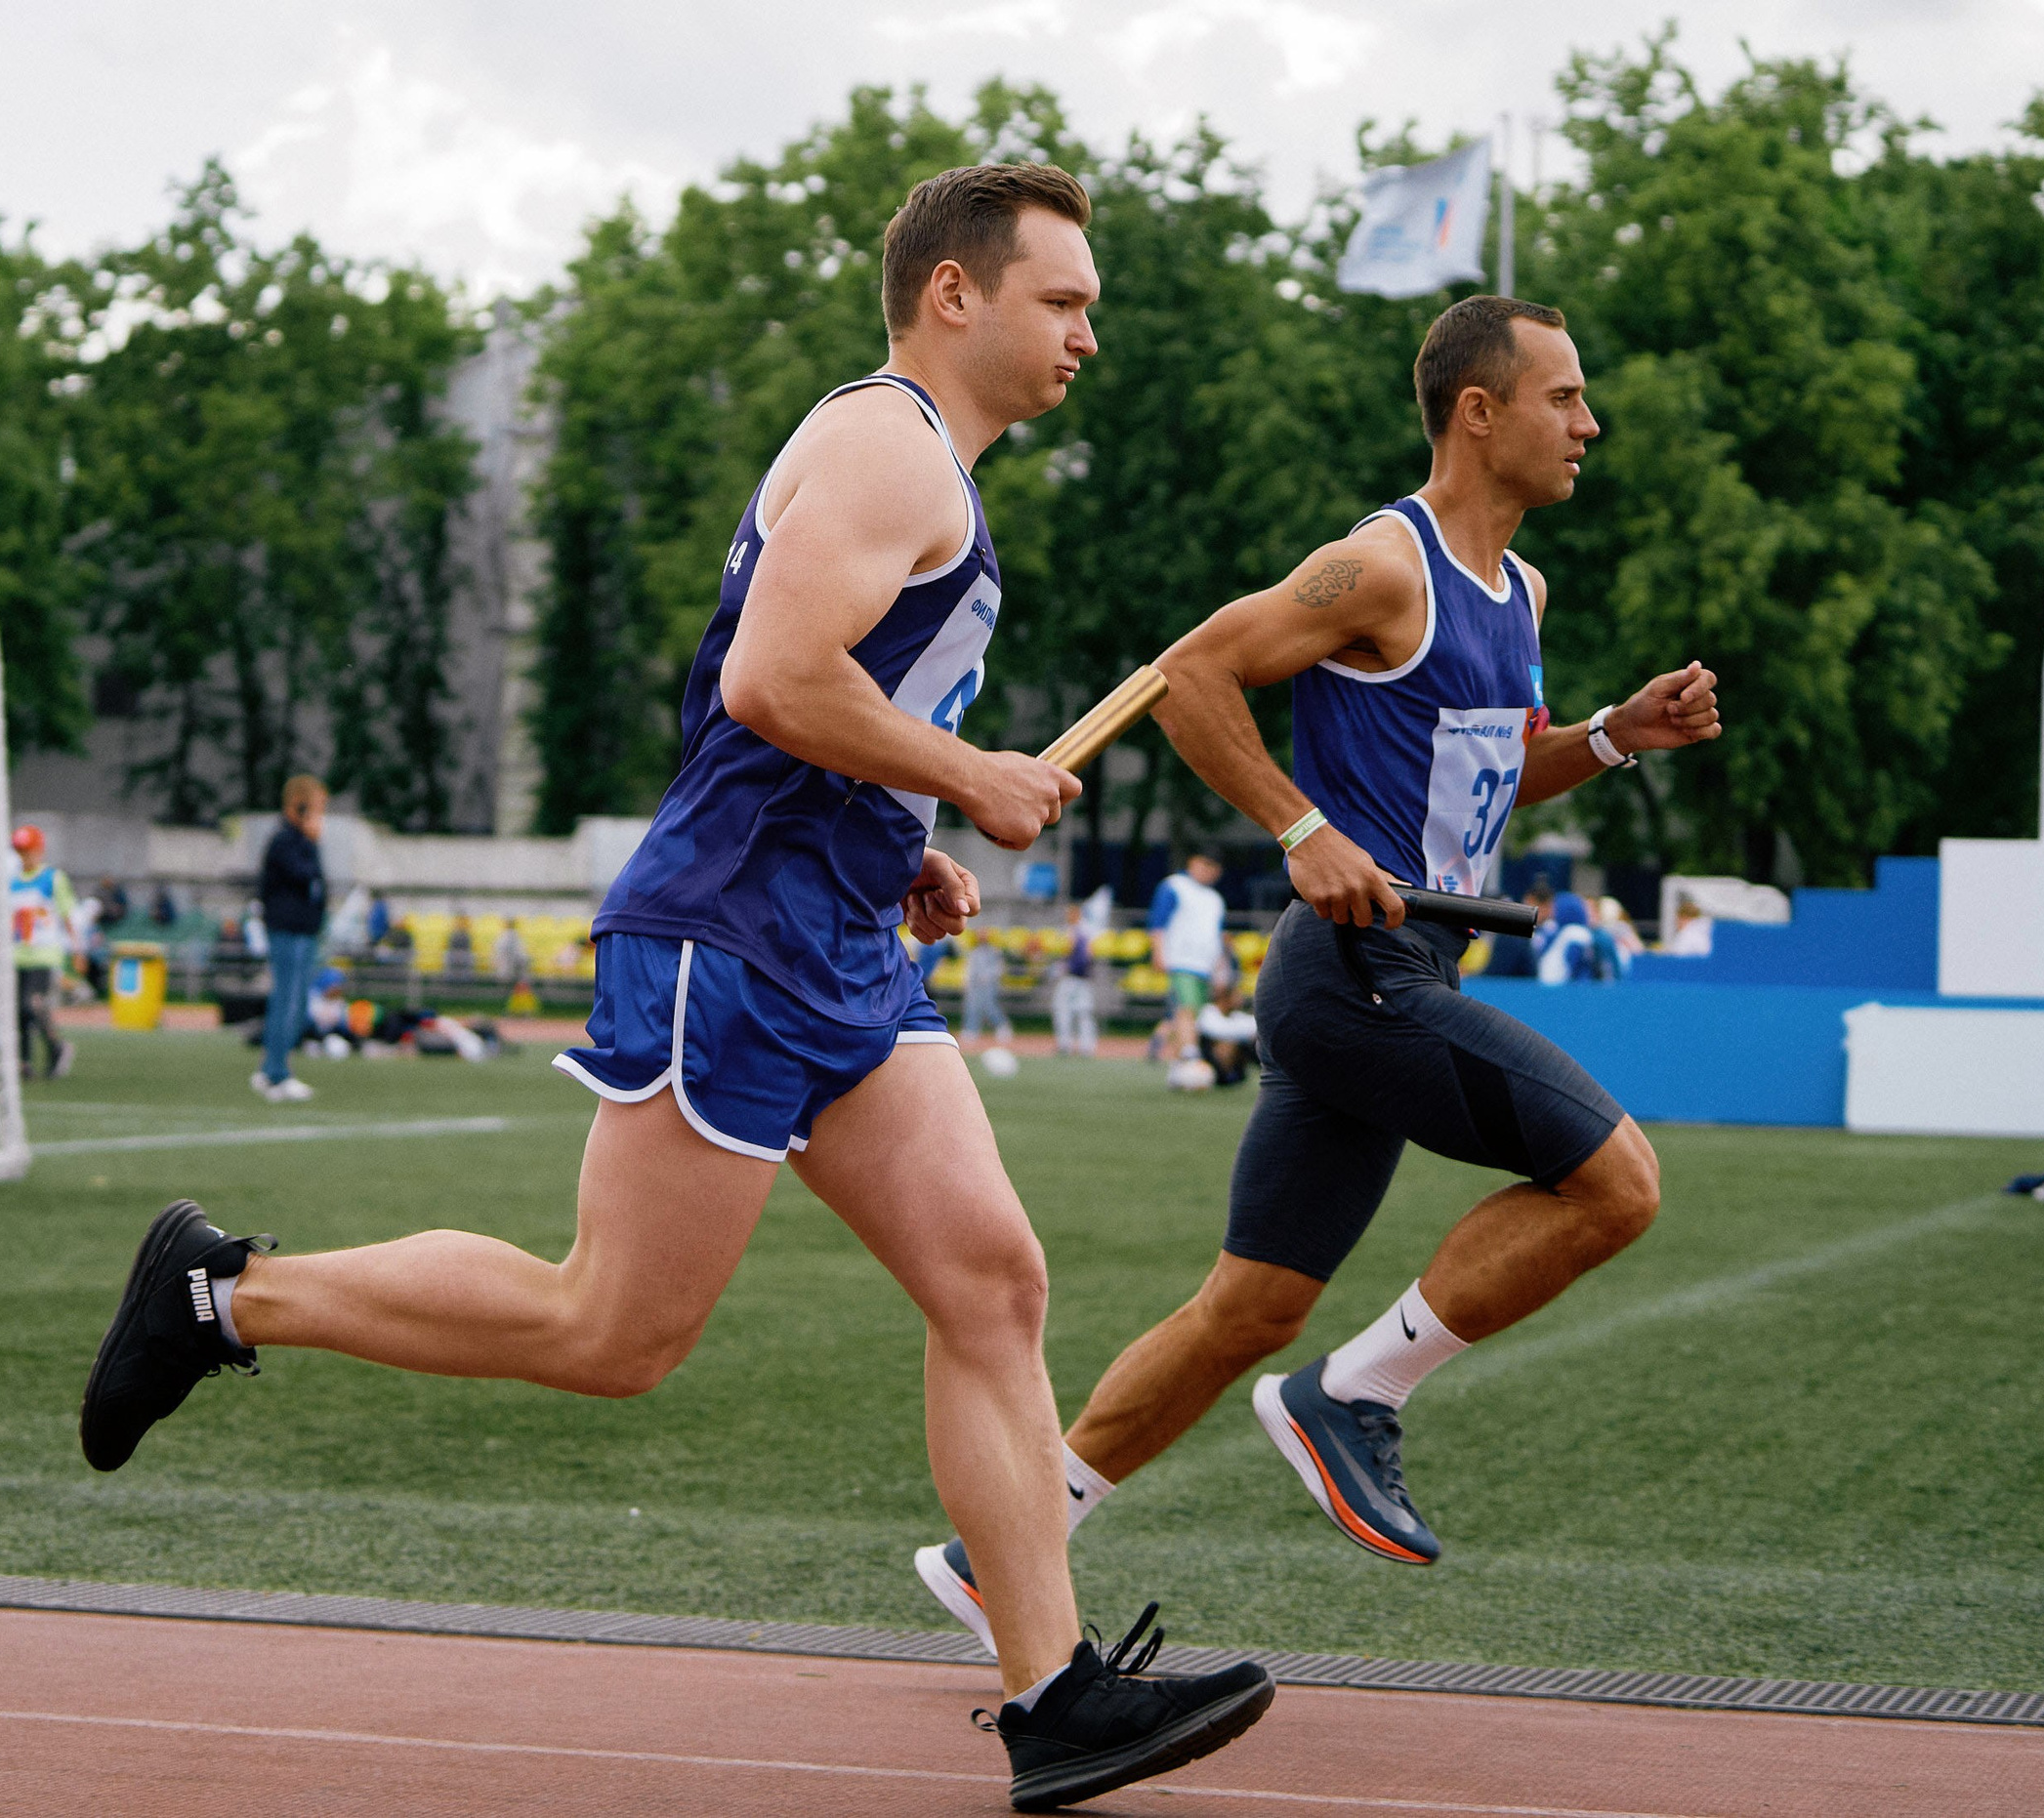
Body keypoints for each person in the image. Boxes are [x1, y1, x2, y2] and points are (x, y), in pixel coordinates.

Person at [77, 161, 1270, 1809]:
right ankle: (223, 1292)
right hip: (738, 939)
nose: (1087, 334)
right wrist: (965, 773)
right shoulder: (881, 441)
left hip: (838, 932)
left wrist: (899, 822)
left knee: (993, 1281)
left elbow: (763, 696)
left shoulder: (927, 472)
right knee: (613, 1328)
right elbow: (779, 678)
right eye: (1062, 301)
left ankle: (1051, 1693)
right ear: (955, 294)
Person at [916, 294, 1719, 1638]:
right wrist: (1301, 829)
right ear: (1480, 410)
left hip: (1407, 965)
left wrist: (1612, 735)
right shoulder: (1382, 565)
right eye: (1564, 396)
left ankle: (1004, 1544)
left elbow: (1489, 764)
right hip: (1359, 972)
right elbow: (1191, 675)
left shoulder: (1521, 589)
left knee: (1249, 1305)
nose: (1591, 422)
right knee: (1616, 1182)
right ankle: (1353, 1394)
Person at [249, 778, 327, 1103]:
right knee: (287, 1001)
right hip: (288, 930)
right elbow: (301, 876)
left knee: (295, 1004)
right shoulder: (286, 842)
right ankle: (277, 1072)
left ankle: (272, 1067)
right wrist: (309, 841)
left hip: (303, 930)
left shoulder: (300, 843)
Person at [8, 825, 78, 1080]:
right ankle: (23, 1062)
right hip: (17, 954)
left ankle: (56, 1047)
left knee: (33, 1004)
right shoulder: (12, 880)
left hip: (44, 953)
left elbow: (67, 913)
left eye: (28, 850)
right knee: (17, 1010)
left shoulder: (52, 878)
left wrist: (77, 948)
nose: (24, 856)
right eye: (20, 851)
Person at [1148, 851, 1227, 1068]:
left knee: (1190, 1015)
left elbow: (1216, 935)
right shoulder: (1175, 886)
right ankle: (1190, 1055)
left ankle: (1178, 1063)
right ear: (1193, 862)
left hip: (1205, 965)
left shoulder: (1215, 899)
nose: (1208, 871)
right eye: (1205, 864)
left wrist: (1220, 969)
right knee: (1186, 1007)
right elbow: (1158, 922)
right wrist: (1158, 952)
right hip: (1181, 960)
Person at [1052, 900, 1100, 1056]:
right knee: (1083, 1013)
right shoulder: (1088, 930)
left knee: (1065, 1011)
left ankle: (1066, 1044)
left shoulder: (1075, 931)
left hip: (1072, 976)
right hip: (1083, 977)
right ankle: (1087, 1046)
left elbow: (1071, 952)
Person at [1195, 977, 1259, 1086]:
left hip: (1233, 1067)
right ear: (1225, 998)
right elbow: (1218, 1031)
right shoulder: (1208, 1012)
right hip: (1208, 1063)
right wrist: (1247, 1033)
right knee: (1227, 1043)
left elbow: (1256, 1026)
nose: (1241, 999)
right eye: (1236, 995)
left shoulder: (1235, 1016)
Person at [960, 930, 1015, 1050]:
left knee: (990, 1006)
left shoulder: (994, 952)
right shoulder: (974, 952)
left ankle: (1002, 1027)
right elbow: (970, 969)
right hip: (975, 985)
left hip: (989, 984)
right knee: (972, 1006)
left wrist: (988, 976)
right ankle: (971, 1029)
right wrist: (968, 982)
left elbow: (999, 968)